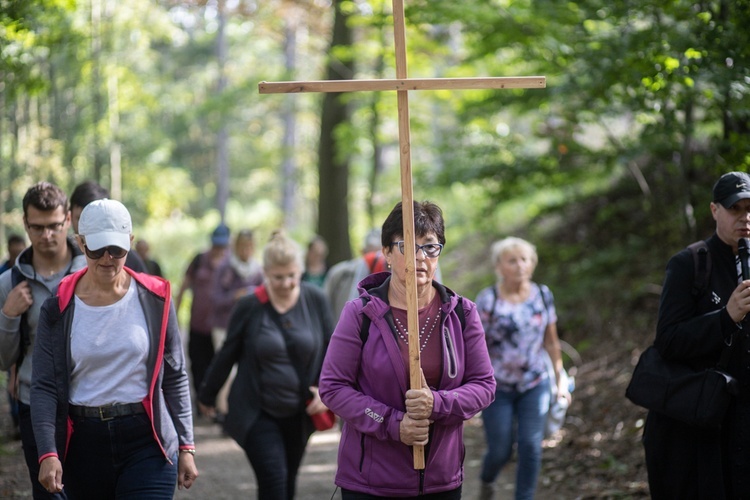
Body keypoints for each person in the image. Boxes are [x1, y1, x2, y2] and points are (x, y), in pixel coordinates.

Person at [318, 200, 496, 499]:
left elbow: (484, 386)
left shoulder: (462, 313)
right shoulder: (360, 314)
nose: (419, 257)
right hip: (371, 482)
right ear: (386, 252)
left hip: (441, 480)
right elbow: (333, 387)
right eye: (406, 246)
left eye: (430, 247)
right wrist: (391, 423)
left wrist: (437, 404)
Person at [31, 198, 198, 497]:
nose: (107, 258)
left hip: (146, 440)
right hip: (84, 445)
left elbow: (175, 375)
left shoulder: (155, 299)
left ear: (130, 243)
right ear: (81, 243)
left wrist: (186, 445)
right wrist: (48, 452)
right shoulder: (58, 307)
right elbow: (43, 386)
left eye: (117, 249)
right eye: (96, 249)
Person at [198, 231, 334, 500]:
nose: (285, 283)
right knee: (273, 477)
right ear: (265, 273)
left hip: (299, 411)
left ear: (301, 271)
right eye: (278, 277)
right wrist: (207, 393)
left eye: (292, 276)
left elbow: (334, 350)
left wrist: (325, 389)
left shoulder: (315, 300)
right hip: (256, 409)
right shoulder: (250, 306)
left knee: (288, 481)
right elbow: (228, 352)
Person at [642, 171, 750, 498]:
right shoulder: (689, 264)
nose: (745, 217)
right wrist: (726, 317)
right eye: (735, 209)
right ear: (715, 210)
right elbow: (669, 341)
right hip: (699, 418)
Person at [0, 182, 87, 499]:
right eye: (37, 227)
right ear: (25, 224)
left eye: (53, 226)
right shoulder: (9, 283)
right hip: (34, 406)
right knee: (50, 493)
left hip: (87, 401)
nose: (47, 236)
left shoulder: (92, 273)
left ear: (67, 220)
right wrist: (8, 315)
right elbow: (3, 360)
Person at [474, 236, 569, 500]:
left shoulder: (542, 295)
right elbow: (476, 345)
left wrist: (560, 379)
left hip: (534, 383)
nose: (520, 266)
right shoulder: (488, 299)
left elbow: (551, 342)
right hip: (497, 387)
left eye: (525, 259)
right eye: (512, 261)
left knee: (530, 446)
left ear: (533, 263)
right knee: (501, 450)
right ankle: (487, 479)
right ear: (499, 266)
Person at [209, 228, 263, 416]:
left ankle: (239, 410)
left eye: (250, 246)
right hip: (224, 326)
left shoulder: (258, 271)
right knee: (227, 371)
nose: (246, 250)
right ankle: (224, 412)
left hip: (249, 327)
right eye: (243, 246)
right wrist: (235, 297)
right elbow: (215, 298)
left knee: (244, 371)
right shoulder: (225, 268)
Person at [175, 223, 230, 400]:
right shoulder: (199, 259)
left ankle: (217, 404)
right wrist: (174, 313)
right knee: (198, 363)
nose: (218, 249)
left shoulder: (232, 264)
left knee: (219, 365)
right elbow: (183, 286)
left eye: (222, 245)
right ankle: (200, 401)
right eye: (216, 244)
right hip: (198, 324)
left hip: (222, 326)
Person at [69, 180, 148, 273]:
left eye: (94, 221)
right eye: (79, 219)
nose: (106, 258)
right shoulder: (65, 252)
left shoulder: (129, 259)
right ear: (69, 217)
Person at [323, 229, 386, 321]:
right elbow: (324, 305)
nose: (374, 258)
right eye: (370, 253)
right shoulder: (340, 273)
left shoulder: (389, 276)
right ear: (363, 252)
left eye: (378, 254)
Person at [1, 233, 26, 439]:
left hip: (26, 334)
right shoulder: (4, 275)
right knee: (13, 380)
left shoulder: (28, 271)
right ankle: (17, 420)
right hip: (9, 331)